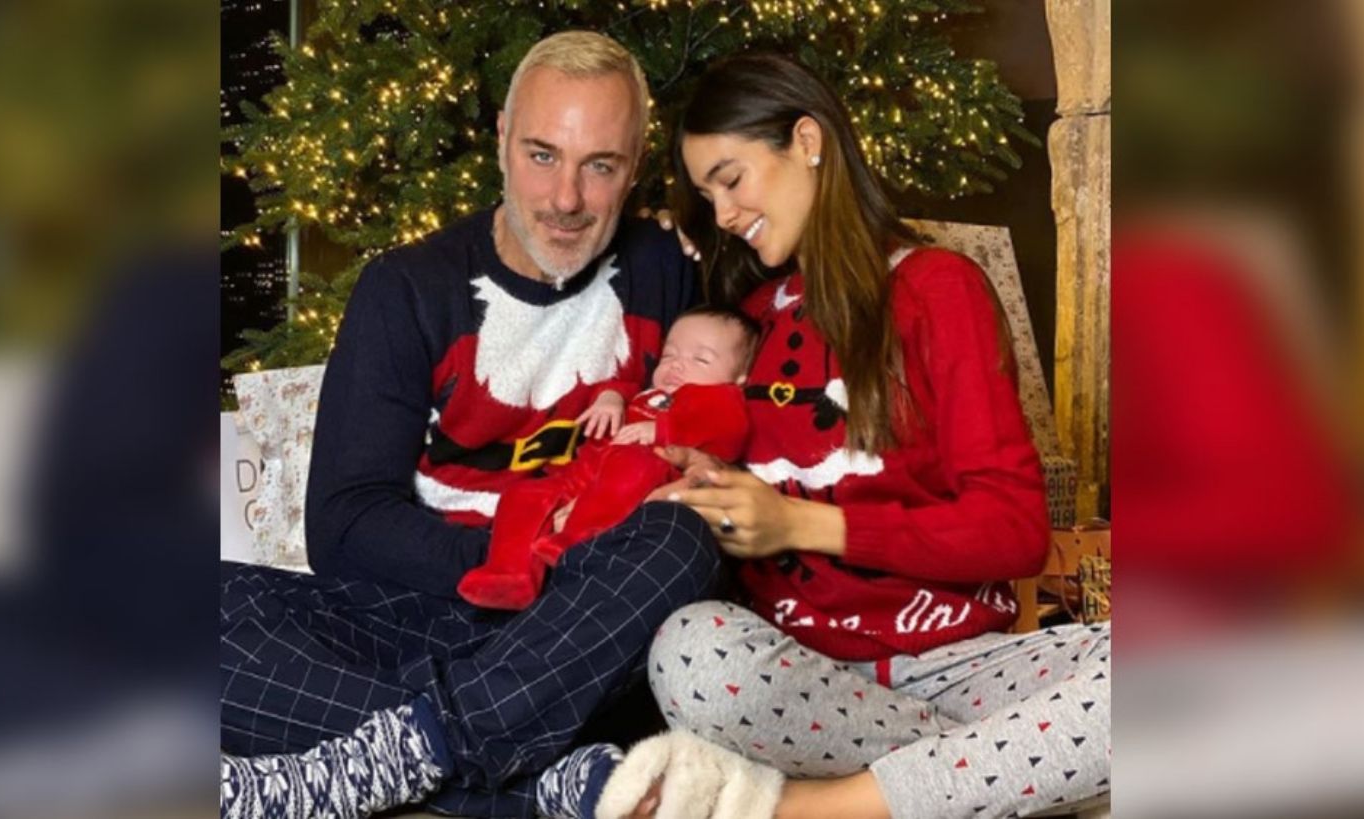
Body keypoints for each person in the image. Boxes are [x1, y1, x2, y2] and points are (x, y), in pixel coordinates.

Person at [219, 32, 724, 819]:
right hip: (433, 611)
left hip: (591, 632)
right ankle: (542, 783)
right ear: (501, 140)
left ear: (635, 169)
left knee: (683, 539)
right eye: (542, 155)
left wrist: (704, 218)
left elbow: (814, 312)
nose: (566, 198)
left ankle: (407, 753)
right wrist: (514, 558)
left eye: (600, 166)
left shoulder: (674, 266)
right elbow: (344, 525)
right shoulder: (408, 288)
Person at [596, 53, 1111, 819]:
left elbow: (1016, 529)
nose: (724, 212)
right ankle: (1002, 780)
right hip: (798, 682)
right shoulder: (746, 322)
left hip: (961, 667)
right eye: (707, 197)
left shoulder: (938, 289)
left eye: (731, 180)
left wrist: (800, 522)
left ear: (808, 140)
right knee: (689, 650)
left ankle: (805, 809)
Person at [459, 306, 758, 610]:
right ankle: (509, 575)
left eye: (701, 359)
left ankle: (578, 539)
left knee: (633, 465)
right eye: (669, 355)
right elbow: (623, 388)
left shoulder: (719, 398)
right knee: (523, 494)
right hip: (585, 473)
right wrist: (611, 399)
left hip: (646, 475)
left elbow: (729, 430)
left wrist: (661, 429)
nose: (677, 365)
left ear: (739, 378)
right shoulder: (649, 394)